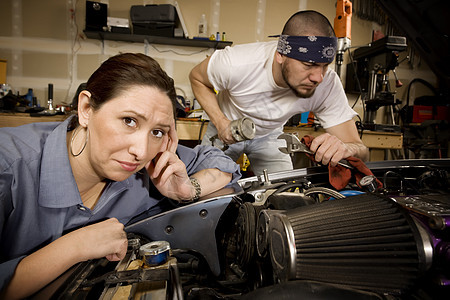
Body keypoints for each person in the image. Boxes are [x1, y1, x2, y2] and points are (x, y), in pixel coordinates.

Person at [0, 53, 240, 299]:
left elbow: (220, 163)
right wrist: (75, 247)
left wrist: (189, 190)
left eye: (157, 131)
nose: (141, 151)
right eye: (129, 121)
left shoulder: (153, 164)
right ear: (85, 109)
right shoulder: (8, 167)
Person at [189, 10, 369, 175]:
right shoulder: (237, 63)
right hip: (227, 128)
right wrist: (221, 123)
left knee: (284, 194)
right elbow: (196, 78)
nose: (318, 77)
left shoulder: (327, 84)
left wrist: (347, 148)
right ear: (280, 55)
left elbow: (361, 150)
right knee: (205, 191)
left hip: (270, 134)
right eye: (309, 65)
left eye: (324, 66)